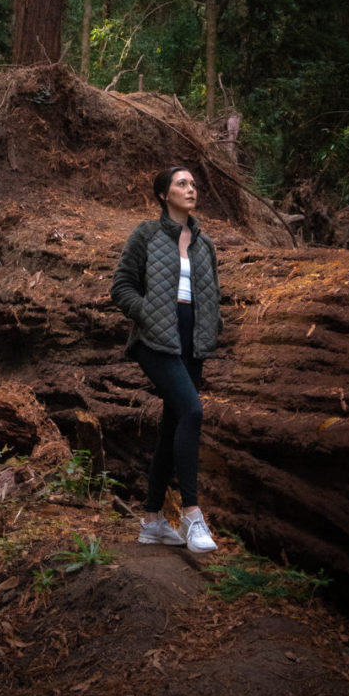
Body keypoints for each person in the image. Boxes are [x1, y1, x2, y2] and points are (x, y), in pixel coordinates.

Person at [110, 165, 221, 553]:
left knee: (172, 426)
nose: (191, 189)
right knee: (192, 411)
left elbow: (211, 294)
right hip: (155, 341)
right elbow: (120, 286)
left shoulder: (204, 243)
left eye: (193, 184)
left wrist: (212, 326)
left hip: (192, 343)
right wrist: (149, 313)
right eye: (182, 184)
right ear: (164, 194)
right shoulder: (146, 234)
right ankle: (192, 515)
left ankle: (153, 519)